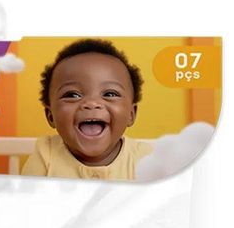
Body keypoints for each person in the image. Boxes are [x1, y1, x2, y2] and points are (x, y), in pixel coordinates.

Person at [22, 39, 152, 180]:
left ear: (131, 114)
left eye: (110, 94)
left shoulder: (144, 158)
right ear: (51, 116)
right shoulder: (45, 154)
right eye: (72, 95)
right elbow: (26, 194)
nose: (92, 103)